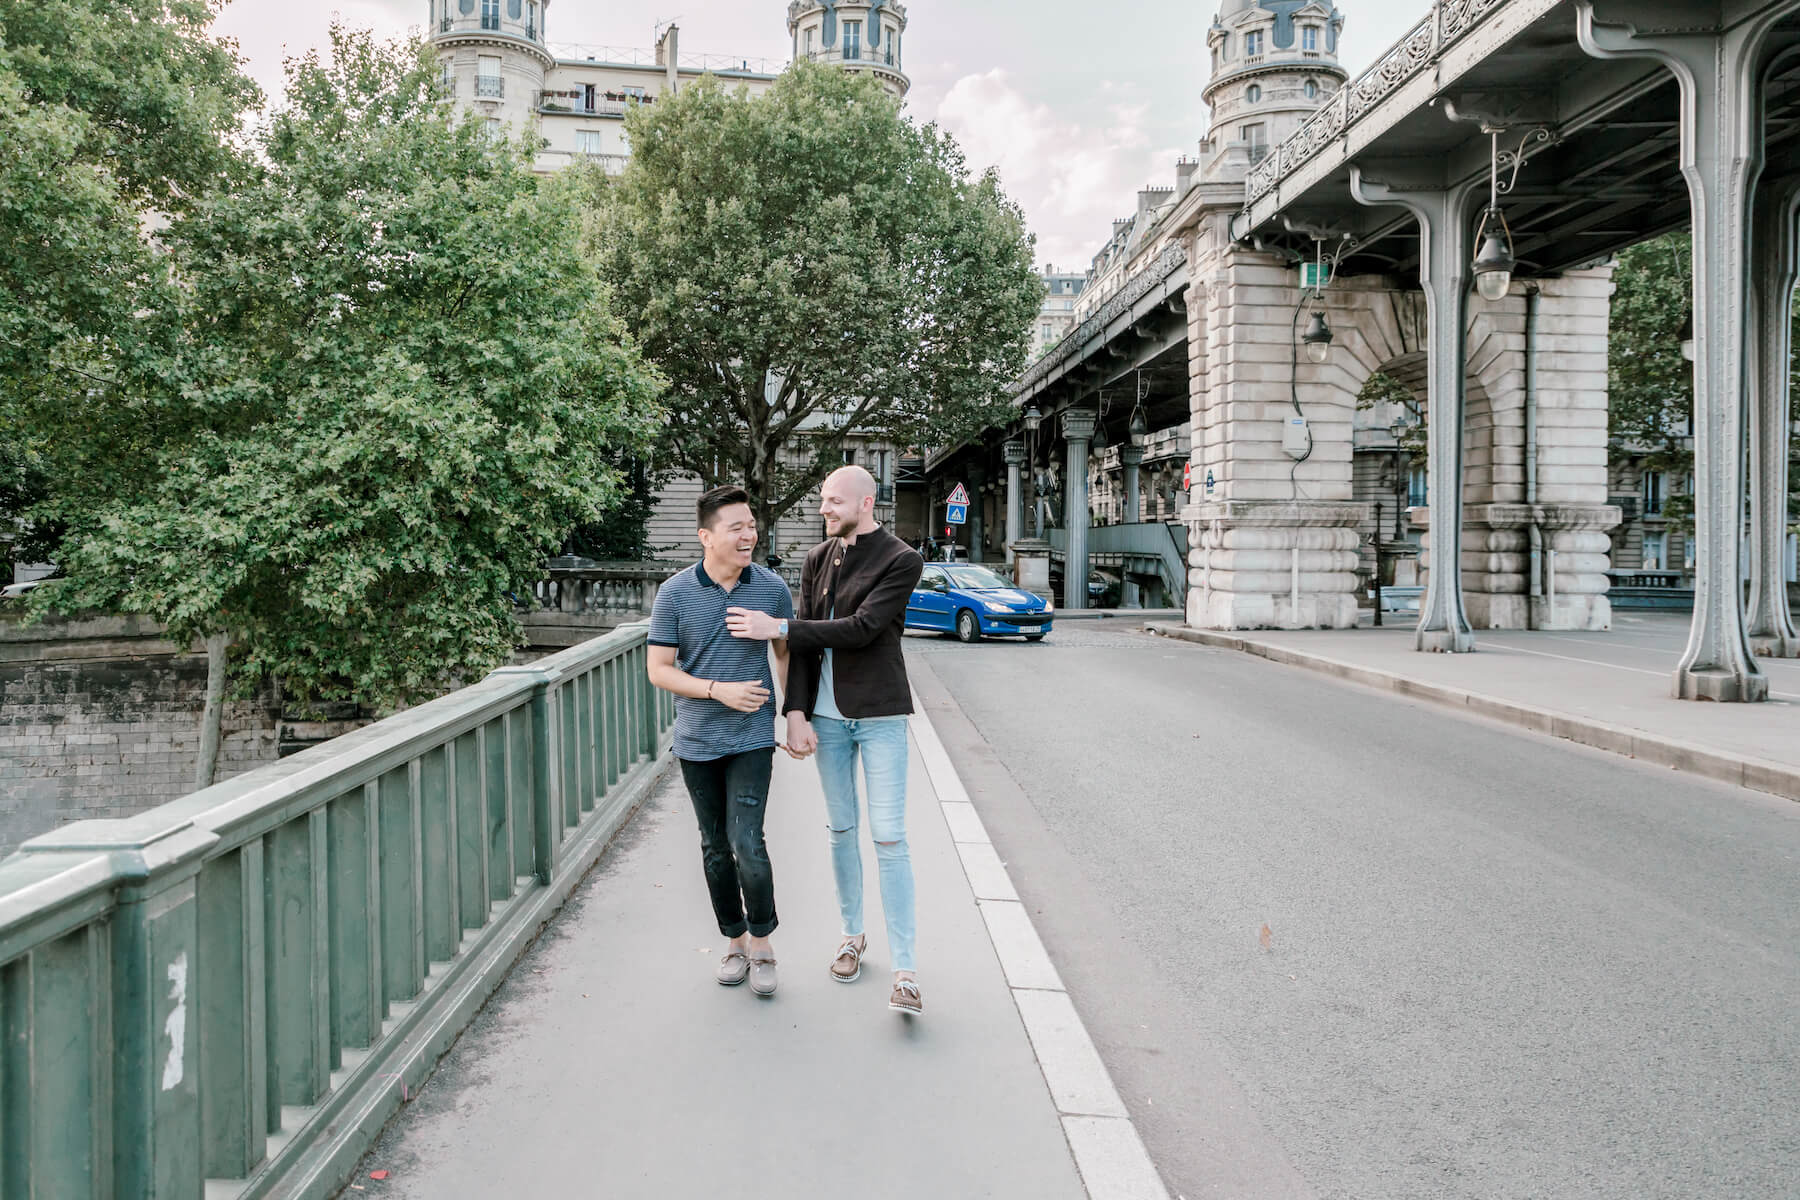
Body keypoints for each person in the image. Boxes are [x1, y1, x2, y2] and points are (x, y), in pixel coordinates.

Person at [725, 466, 928, 1016]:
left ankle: (906, 970)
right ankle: (851, 936)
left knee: (888, 837)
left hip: (881, 713)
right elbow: (810, 649)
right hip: (827, 718)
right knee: (841, 829)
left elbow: (863, 629)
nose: (824, 509)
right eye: (822, 501)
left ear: (866, 502)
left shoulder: (901, 559)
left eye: (833, 501)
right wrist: (795, 711)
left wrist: (781, 628)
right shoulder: (818, 559)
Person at [647, 485, 799, 998]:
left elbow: (783, 651)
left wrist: (791, 709)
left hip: (753, 736)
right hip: (697, 739)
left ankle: (762, 943)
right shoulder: (675, 593)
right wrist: (717, 690)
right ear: (705, 537)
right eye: (737, 527)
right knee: (715, 848)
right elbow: (659, 670)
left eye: (752, 526)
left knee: (746, 843)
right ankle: (733, 941)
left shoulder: (771, 588)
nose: (749, 535)